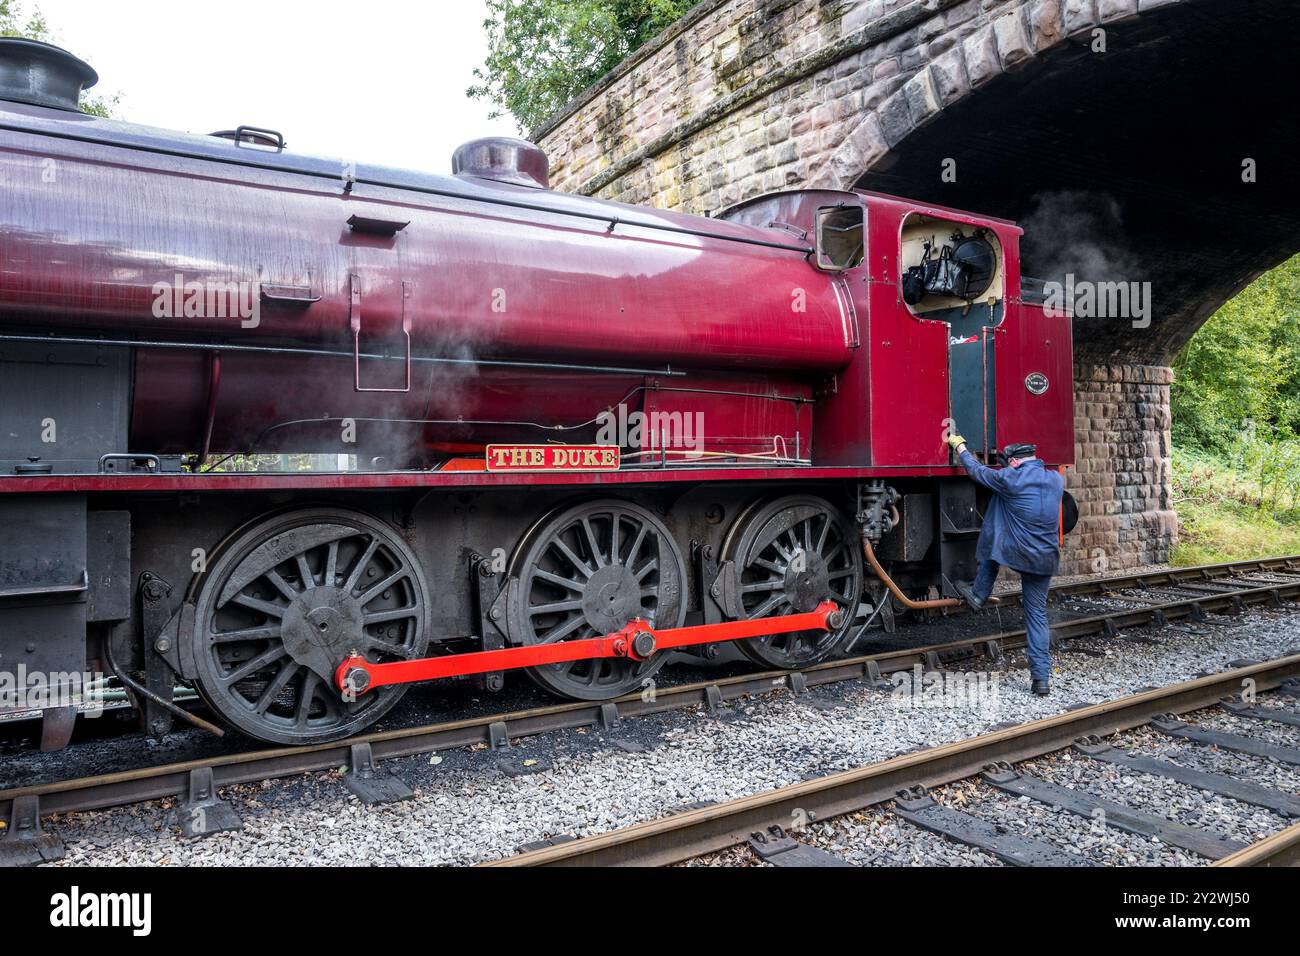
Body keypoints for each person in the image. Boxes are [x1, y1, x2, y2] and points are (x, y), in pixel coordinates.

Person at [944, 435, 1064, 696]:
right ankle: (1041, 680)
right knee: (1036, 616)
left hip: (1018, 554)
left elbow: (977, 472)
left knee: (997, 520)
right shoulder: (1055, 479)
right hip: (1046, 558)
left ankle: (979, 592)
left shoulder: (1010, 480)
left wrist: (960, 446)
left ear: (1014, 462)